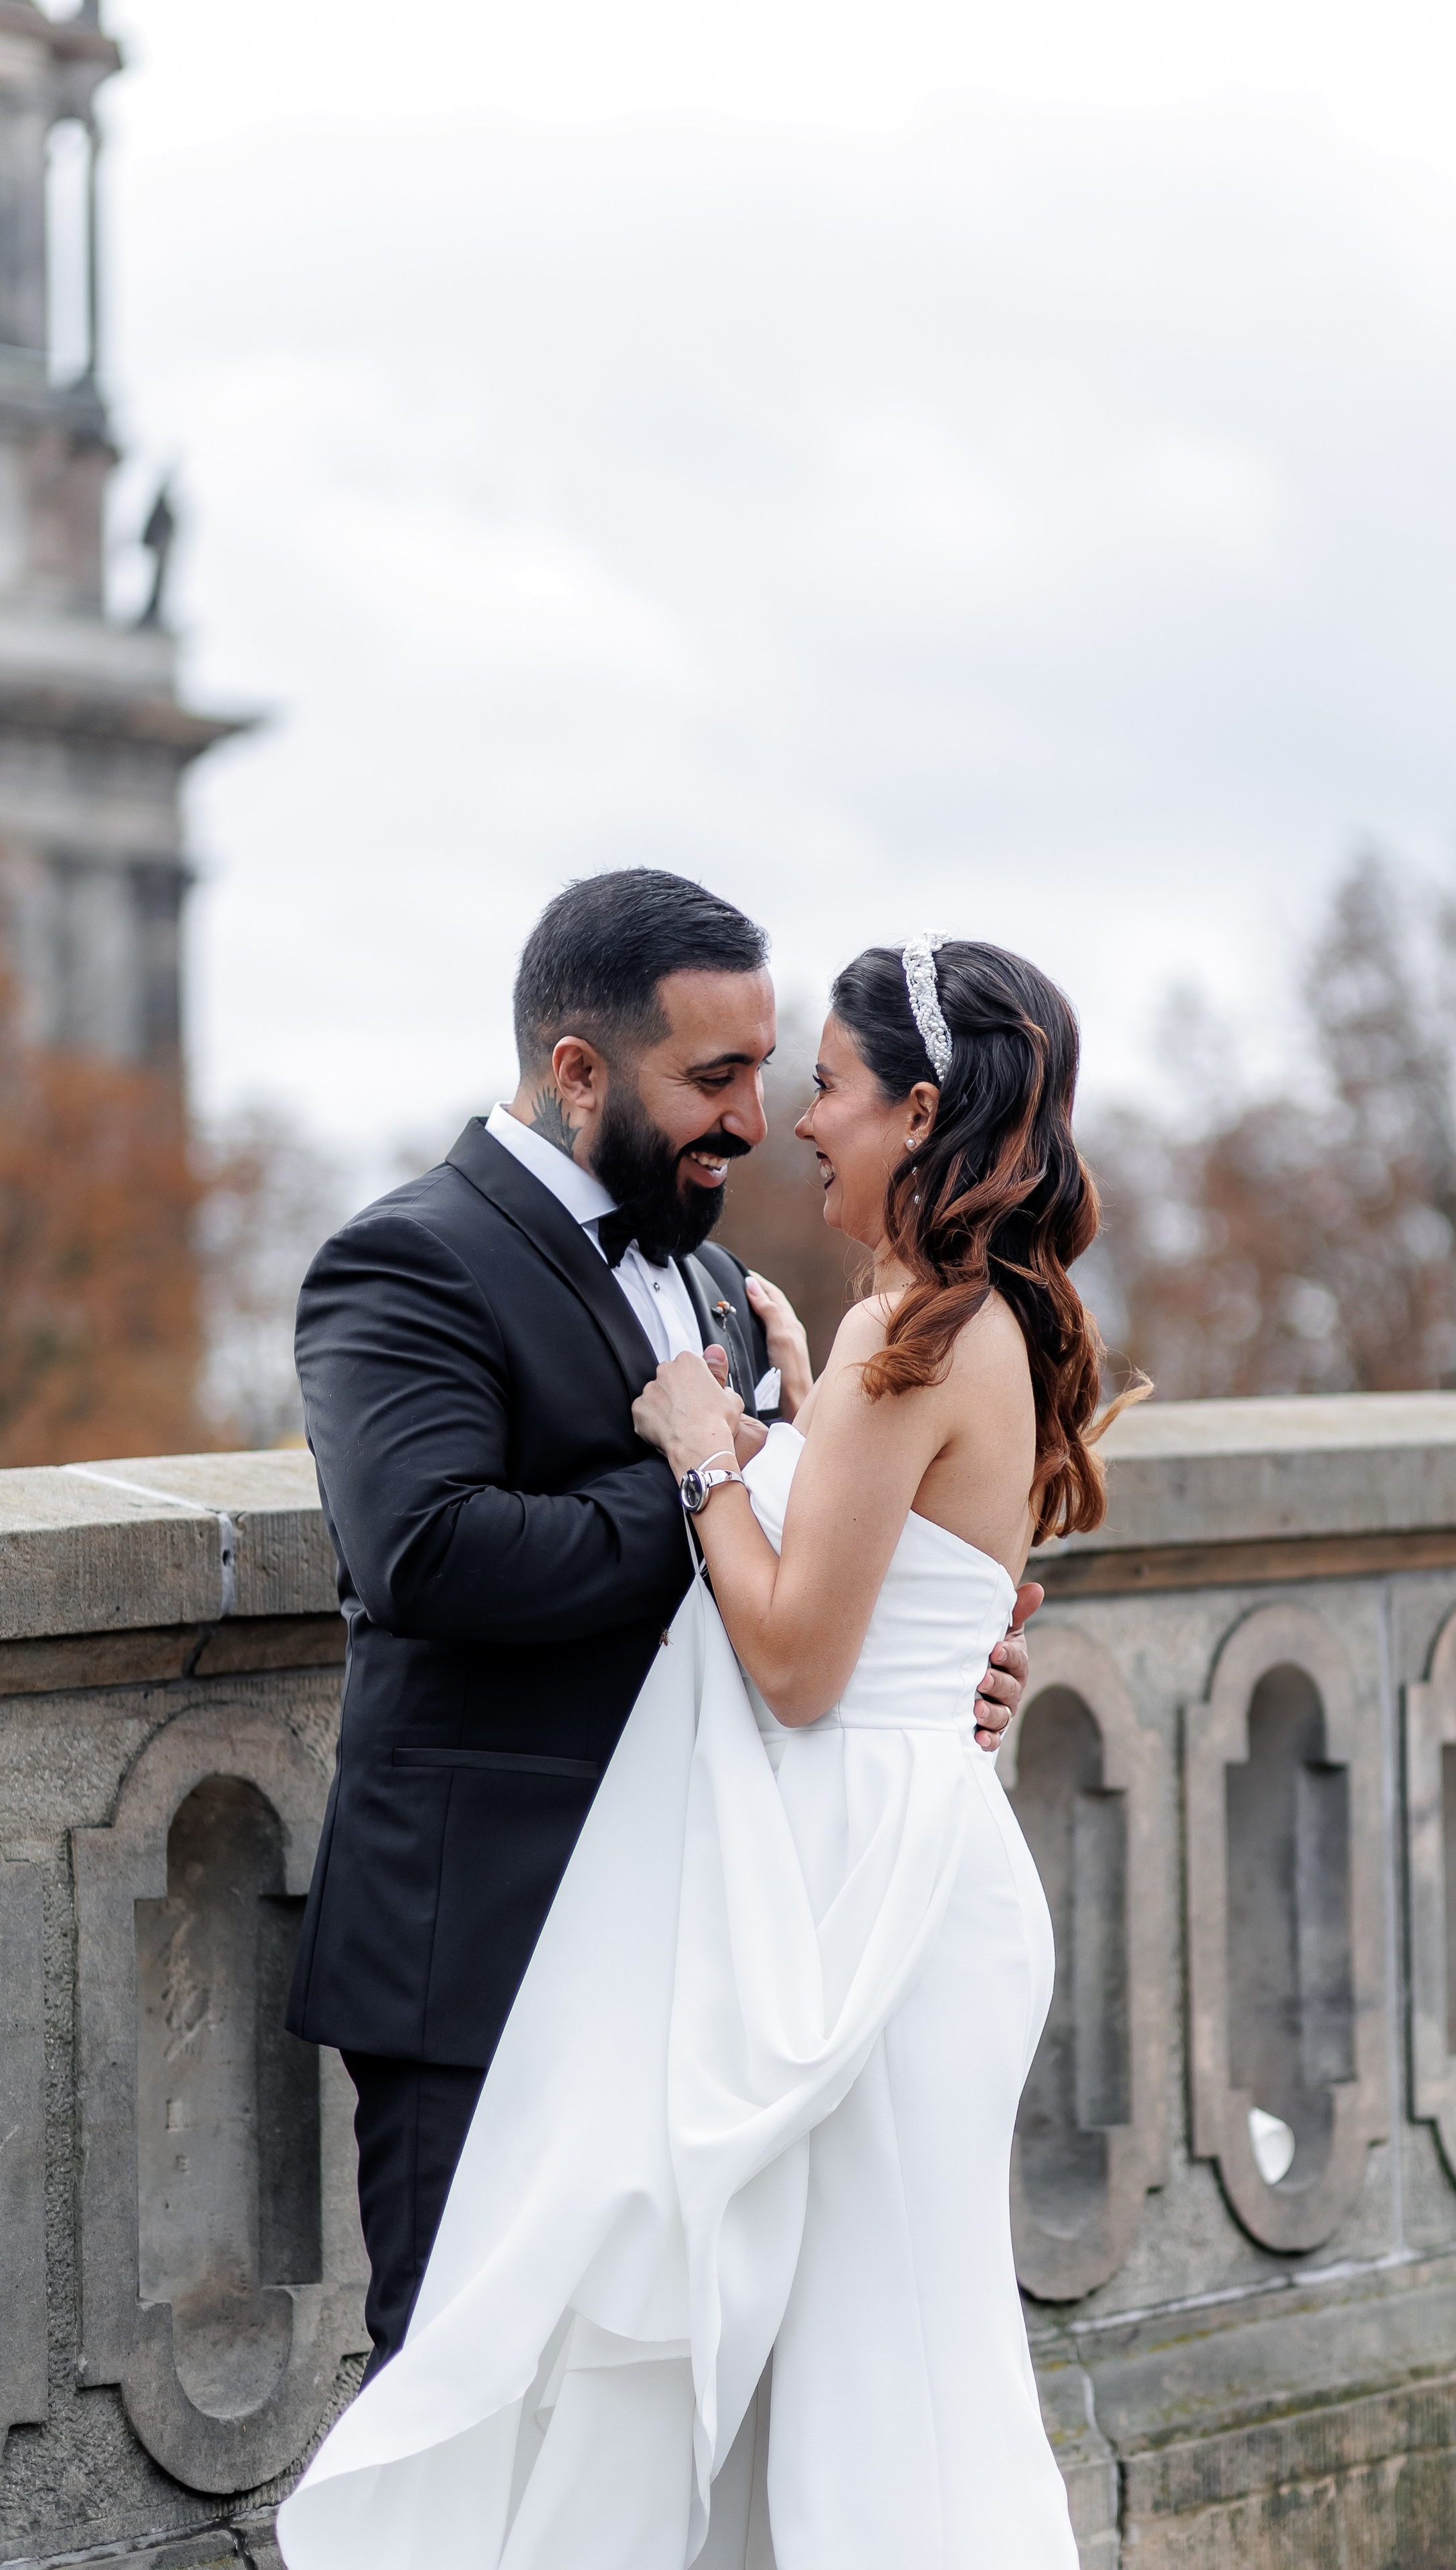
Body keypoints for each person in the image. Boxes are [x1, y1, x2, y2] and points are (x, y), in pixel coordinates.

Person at [280, 932, 1127, 2570]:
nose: (770, 1120)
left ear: (924, 1109)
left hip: (803, 1922)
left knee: (849, 2392)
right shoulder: (408, 1259)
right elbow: (425, 1552)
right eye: (723, 1080)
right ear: (580, 1068)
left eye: (803, 1082)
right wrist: (760, 1486)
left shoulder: (869, 1315)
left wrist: (732, 1478)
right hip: (509, 1932)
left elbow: (805, 1631)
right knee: (549, 2401)